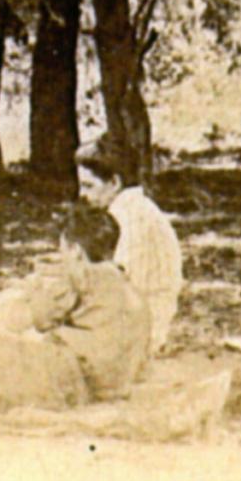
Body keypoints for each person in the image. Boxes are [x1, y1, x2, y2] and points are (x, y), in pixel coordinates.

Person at [0, 203, 152, 407]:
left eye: (63, 250)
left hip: (76, 379)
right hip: (114, 383)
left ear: (76, 251)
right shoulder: (126, 285)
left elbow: (27, 313)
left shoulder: (82, 277)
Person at [75, 134, 182, 354]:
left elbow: (121, 290)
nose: (82, 195)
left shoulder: (131, 218)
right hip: (137, 320)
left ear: (114, 182)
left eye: (88, 186)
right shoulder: (132, 209)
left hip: (140, 331)